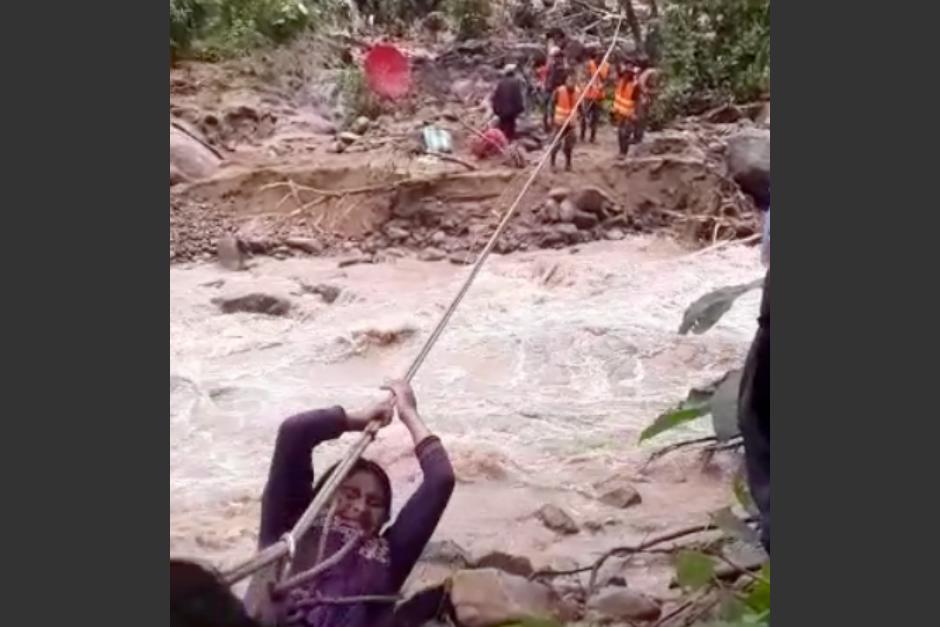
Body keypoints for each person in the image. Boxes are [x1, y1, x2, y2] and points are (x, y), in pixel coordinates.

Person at [245, 380, 456, 627]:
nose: (361, 507)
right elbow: (294, 432)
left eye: (374, 503)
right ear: (324, 497)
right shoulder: (290, 527)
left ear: (385, 518)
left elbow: (441, 478)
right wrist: (356, 419)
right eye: (350, 494)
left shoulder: (392, 554)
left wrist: (409, 413)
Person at [550, 72, 580, 171]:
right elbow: (552, 105)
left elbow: (580, 105)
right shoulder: (559, 91)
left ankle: (568, 164)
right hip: (559, 122)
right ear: (566, 81)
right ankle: (552, 163)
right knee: (556, 143)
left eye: (573, 81)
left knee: (569, 145)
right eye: (569, 80)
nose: (571, 83)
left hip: (571, 124)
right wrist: (550, 118)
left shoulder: (578, 91)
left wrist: (583, 114)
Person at [580, 48, 610, 143]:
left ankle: (593, 137)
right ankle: (582, 135)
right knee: (584, 116)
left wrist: (603, 85)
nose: (600, 58)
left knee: (595, 117)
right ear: (595, 55)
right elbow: (584, 77)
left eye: (602, 56)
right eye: (599, 55)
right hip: (588, 95)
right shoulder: (589, 64)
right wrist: (590, 83)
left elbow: (609, 79)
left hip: (599, 96)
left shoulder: (606, 66)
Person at [611, 63, 639, 158]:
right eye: (626, 73)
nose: (626, 75)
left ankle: (624, 152)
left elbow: (637, 101)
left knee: (625, 134)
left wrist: (635, 114)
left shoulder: (635, 86)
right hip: (619, 112)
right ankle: (621, 151)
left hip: (629, 114)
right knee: (620, 133)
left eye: (629, 73)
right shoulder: (621, 82)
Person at [491, 64, 525, 141]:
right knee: (510, 129)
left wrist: (496, 110)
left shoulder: (501, 82)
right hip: (512, 112)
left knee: (502, 128)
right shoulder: (516, 82)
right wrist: (520, 108)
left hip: (502, 111)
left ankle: (500, 143)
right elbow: (517, 96)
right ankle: (508, 144)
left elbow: (496, 97)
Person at [542, 46, 567, 131]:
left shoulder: (559, 67)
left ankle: (552, 126)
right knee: (549, 109)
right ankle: (547, 126)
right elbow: (547, 76)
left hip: (554, 90)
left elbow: (559, 80)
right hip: (549, 89)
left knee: (553, 109)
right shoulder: (552, 65)